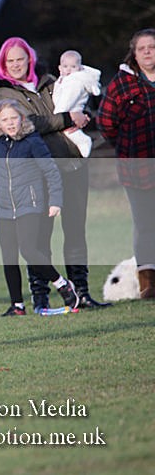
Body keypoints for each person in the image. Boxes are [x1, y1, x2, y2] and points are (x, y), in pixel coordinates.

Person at [0, 37, 110, 309]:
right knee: (40, 238)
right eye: (11, 61)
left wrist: (81, 114)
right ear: (3, 64)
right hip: (37, 174)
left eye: (21, 59)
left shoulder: (50, 81)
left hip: (72, 162)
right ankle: (40, 297)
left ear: (29, 59)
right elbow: (27, 123)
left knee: (76, 230)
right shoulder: (4, 93)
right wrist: (66, 119)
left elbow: (75, 101)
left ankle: (82, 293)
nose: (17, 65)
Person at [0, 99, 80, 315]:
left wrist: (55, 201)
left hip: (30, 205)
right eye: (5, 120)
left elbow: (51, 171)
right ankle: (17, 306)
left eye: (14, 118)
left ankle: (62, 284)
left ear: (21, 119)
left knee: (29, 250)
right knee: (9, 256)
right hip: (4, 208)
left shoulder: (32, 141)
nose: (11, 123)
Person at [96, 28, 155, 299]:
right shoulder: (122, 84)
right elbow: (106, 123)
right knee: (144, 224)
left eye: (152, 47)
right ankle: (148, 282)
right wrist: (127, 144)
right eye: (141, 48)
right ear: (134, 53)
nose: (147, 52)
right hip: (137, 167)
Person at [52, 49, 101, 158]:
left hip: (70, 111)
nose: (69, 69)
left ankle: (84, 141)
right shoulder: (63, 79)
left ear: (79, 68)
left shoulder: (74, 82)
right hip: (69, 113)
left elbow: (68, 100)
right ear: (60, 67)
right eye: (65, 66)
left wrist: (59, 115)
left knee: (70, 132)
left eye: (73, 67)